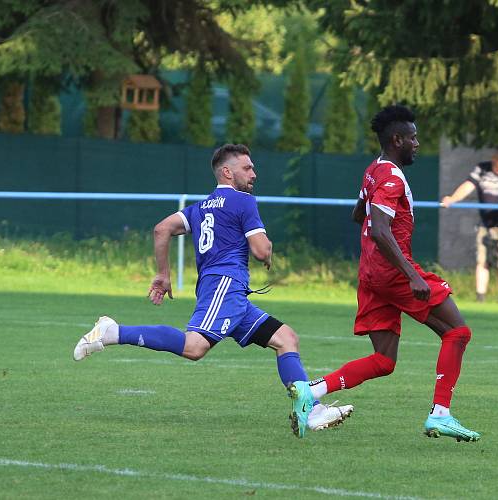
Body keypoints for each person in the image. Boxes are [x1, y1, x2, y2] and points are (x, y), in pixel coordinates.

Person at [72, 143, 352, 438]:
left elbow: (161, 228)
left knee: (286, 339)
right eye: (247, 168)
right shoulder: (243, 202)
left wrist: (163, 274)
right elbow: (259, 249)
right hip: (225, 285)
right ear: (227, 172)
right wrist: (268, 252)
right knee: (194, 348)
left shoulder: (200, 207)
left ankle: (313, 410)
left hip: (228, 290)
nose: (254, 174)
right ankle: (112, 332)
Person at [286, 105, 480, 442]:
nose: (417, 143)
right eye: (413, 138)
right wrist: (411, 275)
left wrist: (379, 230)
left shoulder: (374, 170)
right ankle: (441, 413)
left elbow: (358, 213)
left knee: (384, 360)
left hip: (371, 274)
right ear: (397, 139)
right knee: (457, 332)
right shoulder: (390, 177)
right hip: (392, 272)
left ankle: (310, 391)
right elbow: (378, 229)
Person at [441, 146, 498, 303]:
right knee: (482, 260)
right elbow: (468, 185)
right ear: (495, 160)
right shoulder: (482, 169)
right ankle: (480, 297)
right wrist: (452, 198)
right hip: (485, 224)